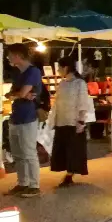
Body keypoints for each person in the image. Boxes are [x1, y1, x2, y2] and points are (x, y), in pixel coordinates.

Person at [3, 44, 42, 197]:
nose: (8, 58)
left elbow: (22, 92)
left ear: (18, 55)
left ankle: (34, 185)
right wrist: (20, 94)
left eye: (10, 55)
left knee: (29, 152)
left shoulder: (33, 71)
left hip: (27, 117)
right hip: (16, 117)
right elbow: (14, 94)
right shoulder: (17, 73)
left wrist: (20, 94)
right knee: (18, 153)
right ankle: (22, 183)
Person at [50, 57, 92, 187]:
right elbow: (57, 102)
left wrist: (81, 120)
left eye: (59, 68)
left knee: (73, 150)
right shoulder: (62, 83)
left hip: (74, 122)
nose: (58, 70)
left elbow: (83, 103)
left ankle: (69, 175)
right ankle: (68, 174)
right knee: (63, 149)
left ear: (66, 68)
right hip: (61, 121)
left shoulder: (79, 83)